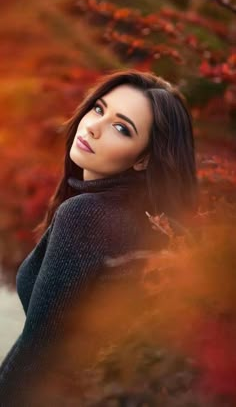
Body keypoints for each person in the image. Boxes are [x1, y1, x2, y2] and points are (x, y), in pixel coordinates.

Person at [0, 69, 199, 405]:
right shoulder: (148, 222)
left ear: (143, 159)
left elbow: (40, 356)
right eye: (98, 109)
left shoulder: (86, 216)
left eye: (121, 128)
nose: (93, 126)